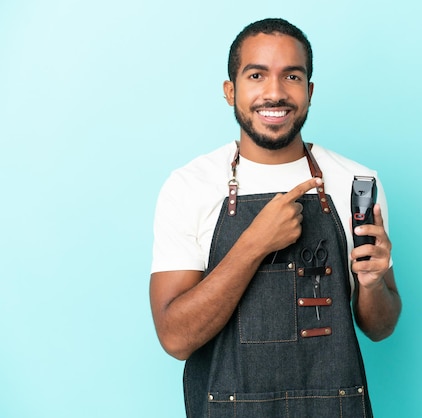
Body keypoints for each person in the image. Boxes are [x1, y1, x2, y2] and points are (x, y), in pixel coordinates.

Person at [149, 17, 401, 417]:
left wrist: (372, 285)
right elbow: (176, 337)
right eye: (256, 75)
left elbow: (380, 326)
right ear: (230, 90)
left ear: (309, 91)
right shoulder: (189, 187)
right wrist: (253, 244)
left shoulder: (357, 182)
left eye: (292, 77)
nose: (275, 93)